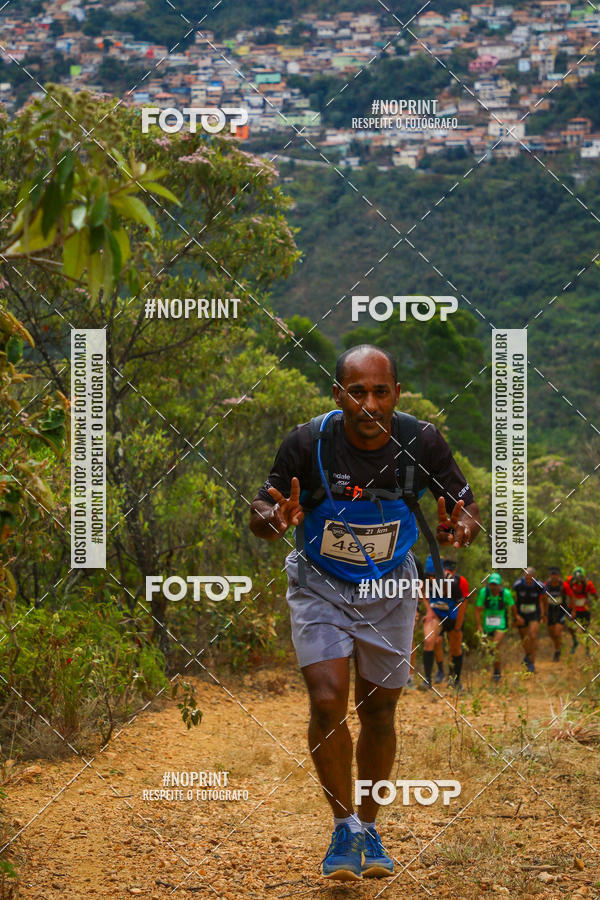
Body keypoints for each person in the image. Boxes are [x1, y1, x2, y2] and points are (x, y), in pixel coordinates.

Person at [249, 345, 480, 881]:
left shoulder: (422, 441)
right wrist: (273, 519)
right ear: (339, 395)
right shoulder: (308, 441)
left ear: (397, 394)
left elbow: (463, 503)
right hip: (319, 583)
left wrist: (461, 526)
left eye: (381, 391)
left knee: (378, 711)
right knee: (327, 700)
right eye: (357, 392)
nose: (369, 403)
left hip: (391, 587)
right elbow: (261, 507)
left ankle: (369, 826)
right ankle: (344, 826)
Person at [419, 556, 469, 691]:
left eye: (434, 576)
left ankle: (455, 681)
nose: (431, 579)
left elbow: (463, 606)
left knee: (455, 648)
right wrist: (429, 610)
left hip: (453, 617)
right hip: (436, 615)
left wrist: (458, 628)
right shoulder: (425, 580)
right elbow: (421, 592)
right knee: (429, 641)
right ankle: (427, 680)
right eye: (428, 576)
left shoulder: (455, 582)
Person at [475, 573, 515, 682]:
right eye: (492, 584)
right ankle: (495, 668)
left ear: (499, 585)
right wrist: (479, 626)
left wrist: (516, 619)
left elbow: (512, 606)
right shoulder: (484, 593)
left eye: (496, 585)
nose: (494, 587)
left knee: (495, 646)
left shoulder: (505, 594)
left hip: (500, 624)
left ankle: (497, 672)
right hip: (487, 625)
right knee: (490, 650)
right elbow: (478, 610)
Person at [512, 567, 545, 673]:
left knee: (533, 636)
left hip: (534, 613)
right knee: (524, 638)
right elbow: (514, 602)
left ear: (534, 577)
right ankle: (527, 654)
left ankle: (531, 663)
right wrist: (515, 616)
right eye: (526, 579)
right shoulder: (517, 585)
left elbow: (542, 601)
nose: (528, 581)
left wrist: (543, 614)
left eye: (530, 579)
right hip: (521, 614)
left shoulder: (540, 586)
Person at [565, 567, 596, 656]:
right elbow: (563, 587)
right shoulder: (569, 581)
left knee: (585, 629)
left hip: (584, 609)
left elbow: (594, 595)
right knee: (570, 626)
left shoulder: (588, 583)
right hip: (572, 608)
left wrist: (592, 602)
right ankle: (575, 641)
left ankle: (587, 648)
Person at [543, 566, 572, 661]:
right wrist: (543, 613)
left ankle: (557, 651)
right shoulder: (545, 585)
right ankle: (558, 644)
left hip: (561, 611)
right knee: (552, 634)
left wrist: (573, 610)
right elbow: (542, 598)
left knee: (557, 632)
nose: (554, 576)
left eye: (556, 574)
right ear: (550, 575)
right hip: (550, 611)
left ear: (559, 575)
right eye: (552, 574)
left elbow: (572, 596)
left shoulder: (564, 585)